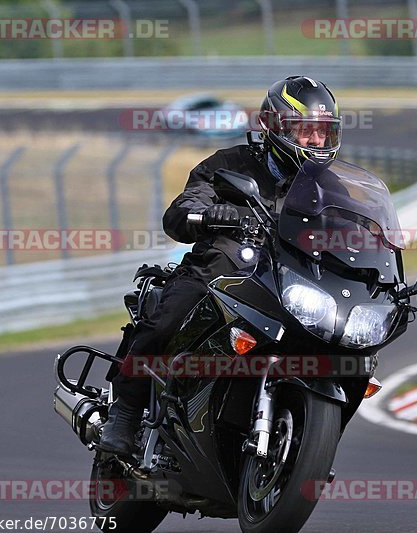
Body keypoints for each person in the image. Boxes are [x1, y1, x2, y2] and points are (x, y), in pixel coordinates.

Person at [99, 75, 343, 456]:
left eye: (322, 132)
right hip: (225, 274)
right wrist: (211, 215)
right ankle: (126, 412)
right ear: (272, 124)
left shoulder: (330, 188)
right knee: (171, 314)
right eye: (304, 129)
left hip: (290, 287)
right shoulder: (231, 164)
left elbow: (360, 230)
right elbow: (181, 212)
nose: (314, 141)